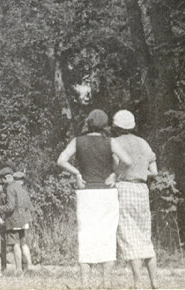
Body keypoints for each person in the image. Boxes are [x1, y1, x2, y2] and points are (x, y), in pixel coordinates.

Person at [58, 110, 133, 288]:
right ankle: (106, 284)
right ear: (105, 125)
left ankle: (85, 284)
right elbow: (128, 161)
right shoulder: (110, 142)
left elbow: (61, 160)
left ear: (88, 123)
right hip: (107, 192)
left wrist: (76, 173)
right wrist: (115, 174)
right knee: (107, 235)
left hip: (86, 193)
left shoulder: (78, 141)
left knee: (86, 236)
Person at [112, 110, 158, 288]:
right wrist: (140, 171)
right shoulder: (144, 143)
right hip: (142, 189)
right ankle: (154, 281)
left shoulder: (116, 143)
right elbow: (154, 172)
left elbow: (114, 168)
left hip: (125, 188)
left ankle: (138, 282)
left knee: (128, 235)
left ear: (117, 127)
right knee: (144, 235)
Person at [2, 171, 34, 274]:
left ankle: (18, 268)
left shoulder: (10, 189)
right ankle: (29, 265)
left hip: (14, 220)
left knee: (15, 244)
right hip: (24, 219)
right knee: (24, 243)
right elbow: (28, 206)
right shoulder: (23, 190)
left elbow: (10, 207)